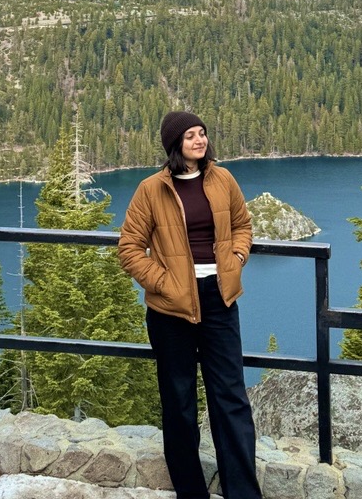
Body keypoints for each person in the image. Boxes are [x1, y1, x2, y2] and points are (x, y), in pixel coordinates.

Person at [118, 110, 262, 499]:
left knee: (230, 398)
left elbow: (243, 225)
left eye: (202, 133)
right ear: (174, 144)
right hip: (170, 310)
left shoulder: (223, 179)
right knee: (179, 402)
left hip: (219, 300)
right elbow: (129, 248)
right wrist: (164, 283)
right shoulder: (151, 189)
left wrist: (237, 257)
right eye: (190, 136)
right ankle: (191, 492)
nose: (199, 140)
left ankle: (242, 493)